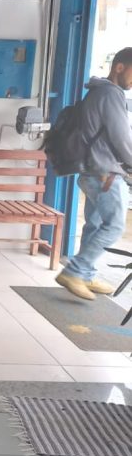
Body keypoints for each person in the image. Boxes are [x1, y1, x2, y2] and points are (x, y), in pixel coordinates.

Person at [55, 47, 132, 300]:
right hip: (104, 173)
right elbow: (122, 138)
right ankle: (75, 271)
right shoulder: (111, 94)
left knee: (96, 224)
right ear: (119, 67)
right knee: (114, 226)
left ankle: (85, 274)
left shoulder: (97, 91)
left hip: (92, 171)